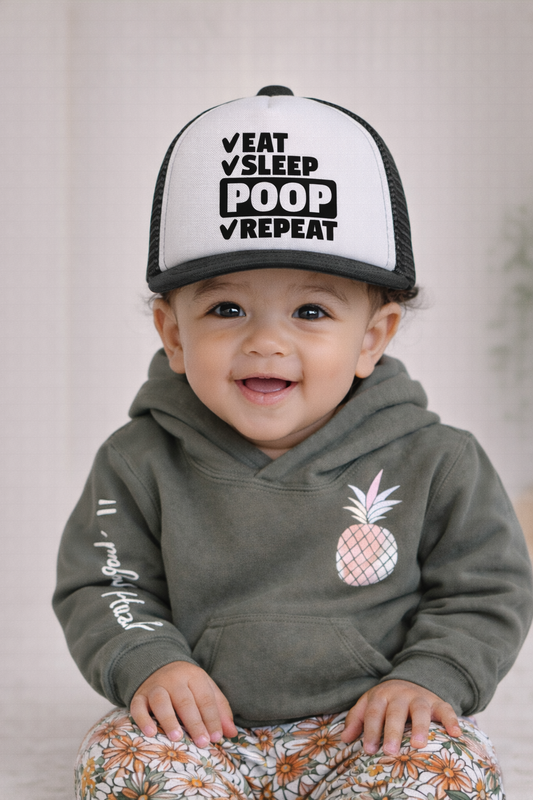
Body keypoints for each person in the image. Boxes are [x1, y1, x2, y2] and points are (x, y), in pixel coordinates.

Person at [54, 86, 532, 800]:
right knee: (119, 761)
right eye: (225, 308)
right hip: (203, 732)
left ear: (372, 338)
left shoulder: (438, 460)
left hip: (367, 729)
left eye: (310, 310)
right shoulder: (137, 460)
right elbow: (105, 585)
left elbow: (484, 590)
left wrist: (425, 678)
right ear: (173, 334)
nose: (266, 341)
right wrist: (150, 663)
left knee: (447, 768)